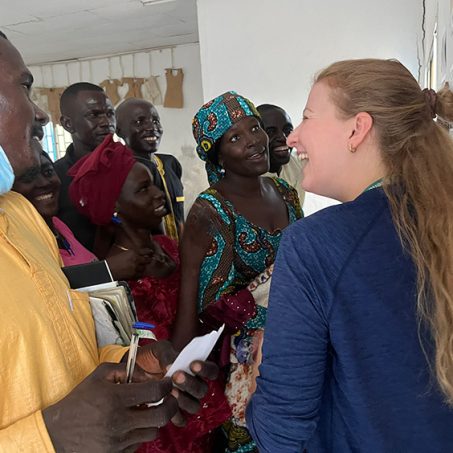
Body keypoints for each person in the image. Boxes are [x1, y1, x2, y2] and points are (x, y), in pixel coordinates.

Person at [0, 30, 217, 452]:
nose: (40, 114)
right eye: (25, 88)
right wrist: (48, 439)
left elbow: (61, 350)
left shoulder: (21, 216)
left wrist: (130, 369)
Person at [247, 59, 453, 452]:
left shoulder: (314, 246)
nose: (293, 139)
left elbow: (279, 433)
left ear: (357, 129)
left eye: (307, 117)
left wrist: (260, 367)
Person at [69, 135, 231, 452]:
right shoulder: (119, 286)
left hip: (204, 402)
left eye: (156, 183)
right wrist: (193, 267)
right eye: (144, 189)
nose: (160, 194)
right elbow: (171, 361)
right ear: (114, 208)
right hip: (170, 427)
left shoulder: (168, 248)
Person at [172, 91, 302, 453]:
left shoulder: (284, 192)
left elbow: (303, 263)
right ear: (217, 155)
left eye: (255, 128)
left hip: (297, 340)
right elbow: (199, 303)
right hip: (243, 365)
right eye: (235, 138)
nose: (254, 142)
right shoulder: (210, 212)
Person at [54, 82, 116, 250]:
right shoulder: (54, 179)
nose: (106, 122)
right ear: (68, 124)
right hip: (83, 274)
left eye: (110, 113)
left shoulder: (133, 168)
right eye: (94, 115)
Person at [116, 98, 184, 241]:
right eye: (139, 122)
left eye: (155, 121)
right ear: (119, 131)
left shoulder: (171, 163)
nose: (151, 127)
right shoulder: (122, 172)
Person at [257, 103, 306, 206]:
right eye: (270, 132)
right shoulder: (247, 181)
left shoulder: (299, 163)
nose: (283, 138)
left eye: (288, 130)